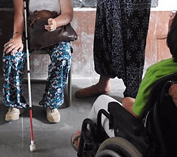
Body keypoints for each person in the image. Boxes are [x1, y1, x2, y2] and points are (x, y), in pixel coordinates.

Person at [71, 11, 177, 150]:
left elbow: (137, 113)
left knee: (102, 102)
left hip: (149, 143)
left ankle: (84, 142)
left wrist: (127, 101)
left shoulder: (159, 72)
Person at [2, 0, 73, 124]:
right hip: (30, 31)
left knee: (63, 57)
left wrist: (56, 22)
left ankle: (52, 103)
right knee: (11, 56)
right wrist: (17, 36)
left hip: (54, 32)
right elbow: (19, 15)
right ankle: (15, 104)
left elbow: (68, 15)